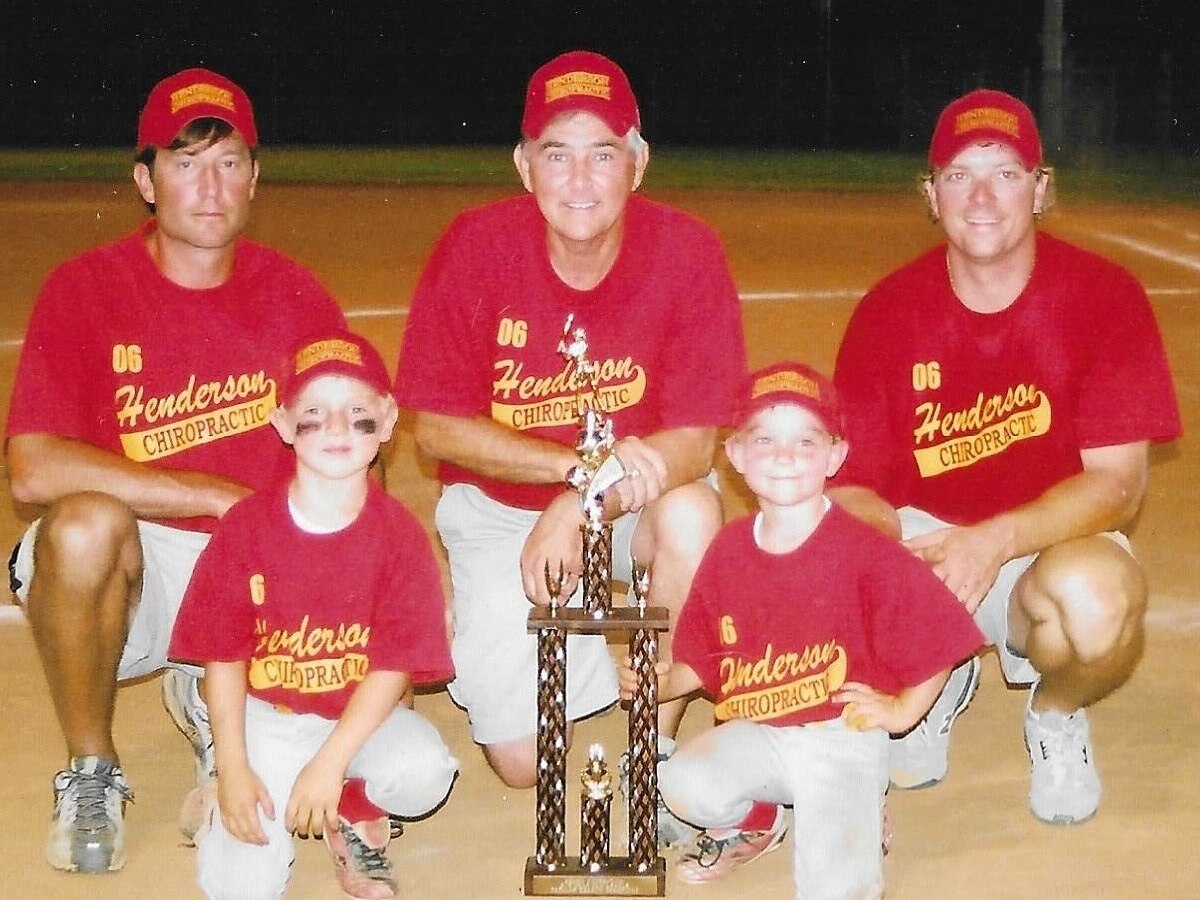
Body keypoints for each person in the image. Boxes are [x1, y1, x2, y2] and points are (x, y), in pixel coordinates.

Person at [5, 67, 347, 874]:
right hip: (140, 568)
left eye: (229, 162)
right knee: (84, 526)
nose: (209, 185)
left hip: (251, 567)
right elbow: (31, 468)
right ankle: (92, 768)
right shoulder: (86, 289)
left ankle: (208, 699)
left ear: (256, 178)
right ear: (144, 178)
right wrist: (209, 495)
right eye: (185, 162)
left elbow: (348, 447)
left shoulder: (295, 297)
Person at [394, 49, 747, 818]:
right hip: (499, 509)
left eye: (602, 153)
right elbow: (436, 429)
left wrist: (582, 499)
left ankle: (653, 727)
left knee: (694, 514)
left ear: (638, 162)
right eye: (557, 155)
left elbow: (692, 444)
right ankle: (539, 627)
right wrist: (575, 473)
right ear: (524, 166)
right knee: (522, 764)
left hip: (635, 504)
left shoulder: (688, 251)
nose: (580, 180)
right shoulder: (475, 246)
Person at [831, 88, 1182, 826]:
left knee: (1099, 601)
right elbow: (856, 488)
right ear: (931, 196)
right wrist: (891, 570)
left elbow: (1117, 485)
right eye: (959, 174)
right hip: (926, 544)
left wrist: (993, 542)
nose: (982, 195)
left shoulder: (1104, 297)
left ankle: (1054, 715)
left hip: (1040, 544)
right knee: (825, 556)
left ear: (1041, 187)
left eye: (1006, 172)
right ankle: (938, 673)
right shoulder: (888, 311)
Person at [618, 361, 983, 897]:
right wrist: (657, 683)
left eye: (806, 442)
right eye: (763, 439)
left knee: (833, 890)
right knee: (681, 785)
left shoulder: (863, 550)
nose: (784, 456)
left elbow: (942, 637)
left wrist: (903, 712)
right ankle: (762, 818)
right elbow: (701, 660)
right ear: (736, 455)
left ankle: (859, 801)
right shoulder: (728, 550)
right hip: (762, 728)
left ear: (836, 455)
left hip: (840, 736)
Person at [168, 329, 458, 900]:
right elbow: (222, 655)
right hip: (266, 718)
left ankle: (351, 805)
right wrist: (232, 768)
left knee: (425, 773)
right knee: (242, 890)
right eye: (313, 414)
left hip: (354, 717)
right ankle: (211, 800)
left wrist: (330, 766)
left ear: (388, 419)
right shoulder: (246, 529)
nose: (336, 430)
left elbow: (394, 666)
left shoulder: (399, 538)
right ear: (281, 425)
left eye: (357, 414)